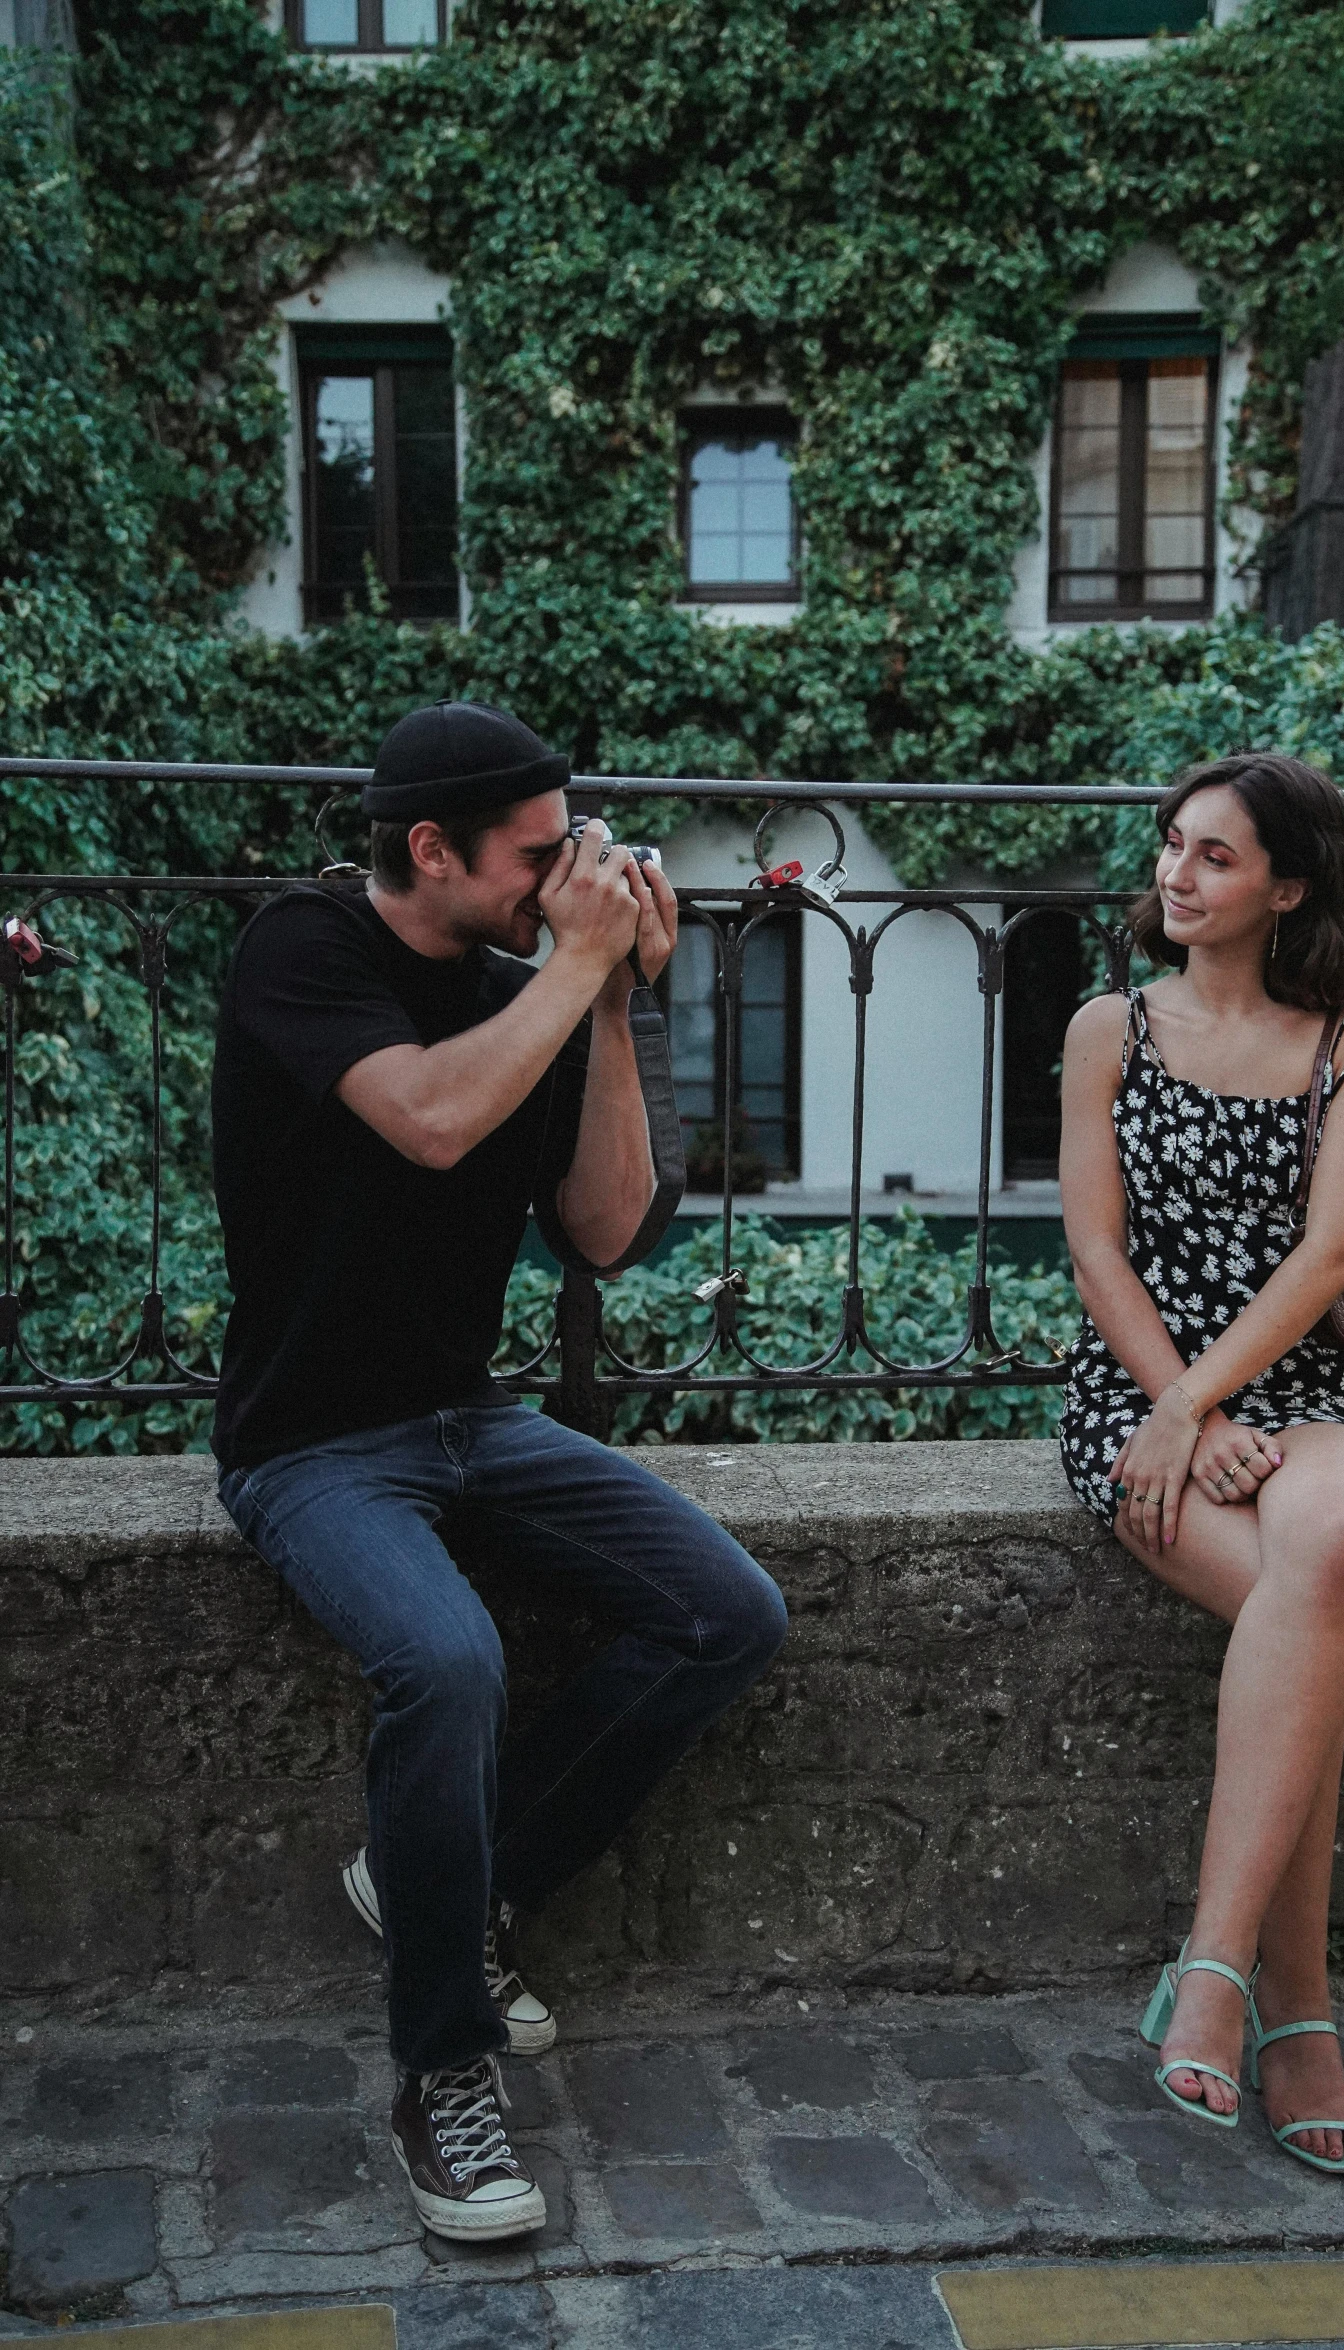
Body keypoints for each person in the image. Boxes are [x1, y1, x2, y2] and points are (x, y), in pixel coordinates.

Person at [211, 700, 788, 2241]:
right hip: (310, 1442)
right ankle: (440, 2072)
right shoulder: (300, 948)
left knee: (726, 1612)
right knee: (448, 1661)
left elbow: (604, 1228)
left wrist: (603, 1006)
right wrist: (576, 967)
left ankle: (447, 1891)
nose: (565, 874)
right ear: (428, 848)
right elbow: (430, 1117)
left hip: (470, 1417)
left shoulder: (522, 988)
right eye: (536, 856)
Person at [1057, 752, 1344, 2177]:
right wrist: (1172, 1409)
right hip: (1133, 1396)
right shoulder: (1106, 1026)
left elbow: (1334, 1249)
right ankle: (1296, 2015)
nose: (1175, 874)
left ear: (1288, 884)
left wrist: (1207, 1401)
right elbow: (1093, 1247)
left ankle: (1213, 1967)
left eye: (1212, 855)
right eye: (1169, 847)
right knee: (1314, 1617)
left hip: (1288, 1391)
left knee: (1338, 1526)